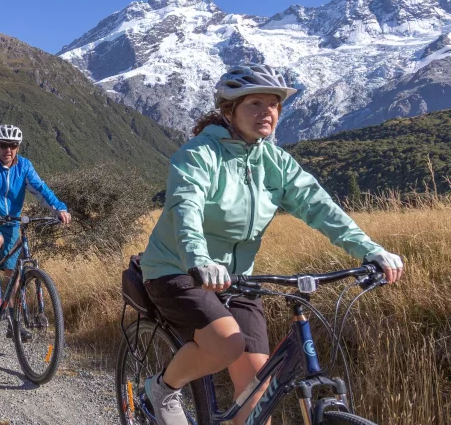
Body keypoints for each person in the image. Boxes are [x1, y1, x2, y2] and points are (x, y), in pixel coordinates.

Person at [140, 64, 404, 425]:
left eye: (274, 105)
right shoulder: (199, 155)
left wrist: (369, 249)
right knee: (226, 344)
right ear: (229, 110)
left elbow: (318, 206)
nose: (267, 112)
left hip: (238, 279)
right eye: (255, 104)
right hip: (178, 269)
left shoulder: (275, 161)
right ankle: (162, 389)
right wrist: (199, 259)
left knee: (257, 396)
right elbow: (185, 207)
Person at [0, 124, 71, 339]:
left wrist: (59, 208)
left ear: (18, 147)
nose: (8, 150)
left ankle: (13, 323)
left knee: (12, 275)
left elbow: (40, 189)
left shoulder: (24, 166)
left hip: (12, 223)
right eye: (4, 145)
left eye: (13, 146)